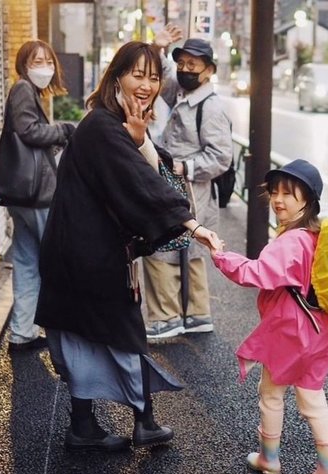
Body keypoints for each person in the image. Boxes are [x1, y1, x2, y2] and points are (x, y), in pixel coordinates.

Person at [35, 41, 221, 452]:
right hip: (87, 259)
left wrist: (140, 141)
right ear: (116, 76)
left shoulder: (114, 124)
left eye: (154, 77)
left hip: (78, 255)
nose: (147, 85)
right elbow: (145, 185)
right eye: (137, 74)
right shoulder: (102, 126)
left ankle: (87, 425)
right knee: (121, 334)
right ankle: (143, 421)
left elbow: (155, 172)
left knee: (82, 336)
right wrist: (192, 225)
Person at [210, 160, 328, 474]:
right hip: (320, 330)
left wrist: (220, 256)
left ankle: (269, 459)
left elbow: (255, 274)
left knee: (271, 393)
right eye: (274, 192)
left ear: (308, 199)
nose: (278, 200)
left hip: (291, 332)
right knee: (312, 398)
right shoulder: (317, 236)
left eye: (288, 193)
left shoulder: (291, 241)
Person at [142, 28, 234, 340]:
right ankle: (195, 315)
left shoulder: (211, 108)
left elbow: (222, 157)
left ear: (209, 70)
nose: (186, 69)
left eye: (194, 65)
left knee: (162, 248)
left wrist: (184, 166)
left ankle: (166, 317)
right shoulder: (182, 93)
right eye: (183, 63)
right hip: (181, 188)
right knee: (187, 252)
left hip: (192, 189)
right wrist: (158, 47)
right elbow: (163, 75)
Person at [1, 40, 75, 352]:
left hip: (23, 195)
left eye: (48, 60)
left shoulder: (27, 90)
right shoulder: (22, 88)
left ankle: (22, 334)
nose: (44, 66)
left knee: (27, 261)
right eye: (37, 60)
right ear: (24, 64)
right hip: (37, 194)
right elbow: (28, 131)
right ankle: (66, 334)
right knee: (57, 261)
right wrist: (65, 130)